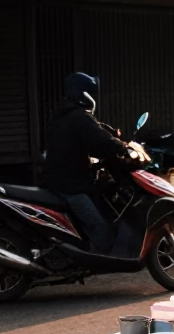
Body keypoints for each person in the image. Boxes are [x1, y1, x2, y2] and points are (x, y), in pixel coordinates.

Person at [40, 73, 131, 254]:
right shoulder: (79, 117)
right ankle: (96, 257)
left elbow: (95, 134)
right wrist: (123, 147)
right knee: (100, 229)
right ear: (84, 94)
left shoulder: (63, 116)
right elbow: (100, 141)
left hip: (58, 180)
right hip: (69, 185)